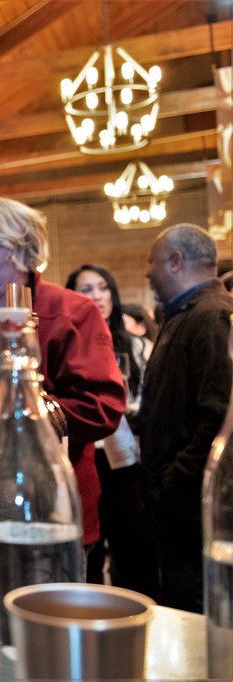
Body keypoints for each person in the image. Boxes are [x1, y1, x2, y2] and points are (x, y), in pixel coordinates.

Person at [0, 198, 126, 555]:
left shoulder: (70, 310)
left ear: (25, 248)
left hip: (51, 507)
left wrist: (13, 419)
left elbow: (103, 406)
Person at [140, 223, 233, 612]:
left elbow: (218, 415)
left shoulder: (212, 317)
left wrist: (175, 480)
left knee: (195, 607)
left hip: (191, 502)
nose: (148, 273)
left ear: (176, 261)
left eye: (153, 263)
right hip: (178, 500)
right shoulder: (184, 314)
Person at [65, 264, 159, 597]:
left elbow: (150, 396)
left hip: (124, 459)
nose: (96, 296)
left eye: (103, 287)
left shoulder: (135, 345)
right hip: (83, 454)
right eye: (86, 289)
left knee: (132, 548)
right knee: (88, 549)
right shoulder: (69, 344)